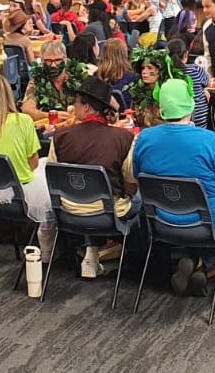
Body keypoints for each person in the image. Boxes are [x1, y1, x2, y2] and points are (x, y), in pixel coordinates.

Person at [129, 78, 215, 295]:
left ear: (161, 107)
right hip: (207, 220)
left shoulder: (144, 138)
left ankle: (195, 261)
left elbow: (137, 178)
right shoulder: (209, 139)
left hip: (161, 220)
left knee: (194, 207)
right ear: (191, 105)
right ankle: (204, 262)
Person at [48, 76, 137, 277]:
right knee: (139, 198)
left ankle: (91, 254)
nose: (73, 107)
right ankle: (137, 263)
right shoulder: (123, 138)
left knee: (88, 194)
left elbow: (52, 178)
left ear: (87, 107)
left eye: (77, 103)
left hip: (67, 211)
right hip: (107, 213)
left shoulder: (59, 137)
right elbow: (130, 186)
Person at [0, 73, 54, 250]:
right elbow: (34, 163)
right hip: (21, 194)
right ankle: (47, 249)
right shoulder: (24, 120)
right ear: (8, 94)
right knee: (48, 168)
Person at [22, 41, 76, 121]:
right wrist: (51, 116)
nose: (53, 65)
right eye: (48, 61)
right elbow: (27, 109)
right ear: (42, 61)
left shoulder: (76, 78)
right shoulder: (37, 81)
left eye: (57, 60)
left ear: (65, 59)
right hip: (49, 126)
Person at [168, 38, 211, 127]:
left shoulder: (167, 74)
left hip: (174, 121)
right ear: (185, 54)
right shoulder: (196, 70)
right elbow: (207, 83)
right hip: (200, 121)